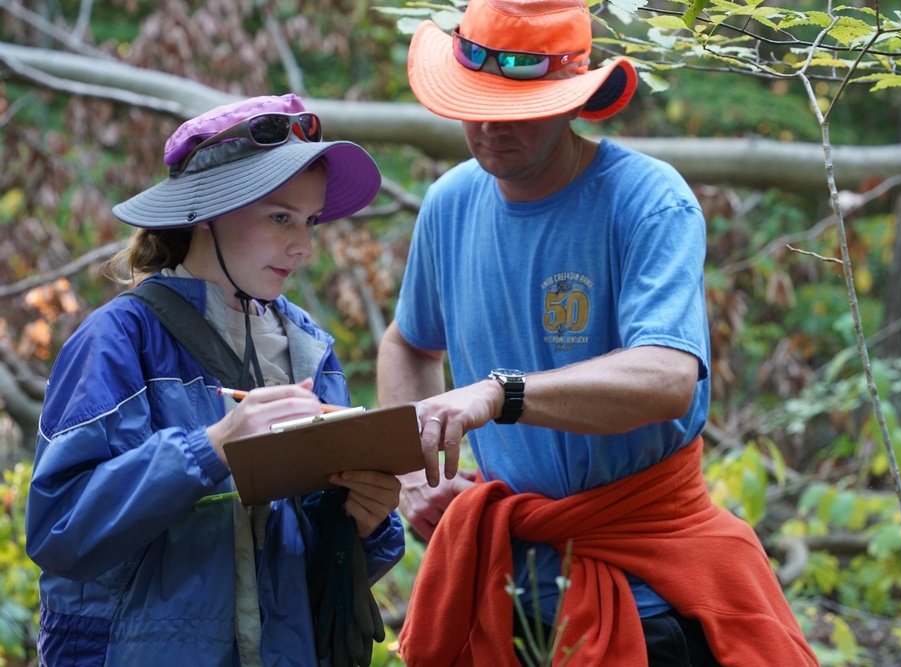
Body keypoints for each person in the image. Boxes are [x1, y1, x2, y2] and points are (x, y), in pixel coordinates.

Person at [376, 1, 821, 665]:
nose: (489, 125)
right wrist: (412, 475)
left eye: (516, 107)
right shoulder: (451, 204)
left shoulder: (646, 200)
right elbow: (410, 343)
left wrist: (502, 394)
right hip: (506, 569)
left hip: (651, 578)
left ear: (570, 101)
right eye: (475, 100)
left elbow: (667, 376)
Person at [24, 94, 404, 667]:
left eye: (309, 221)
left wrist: (367, 523)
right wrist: (212, 449)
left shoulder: (308, 350)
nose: (301, 246)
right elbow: (59, 531)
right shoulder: (118, 341)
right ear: (206, 211)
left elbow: (311, 570)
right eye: (280, 218)